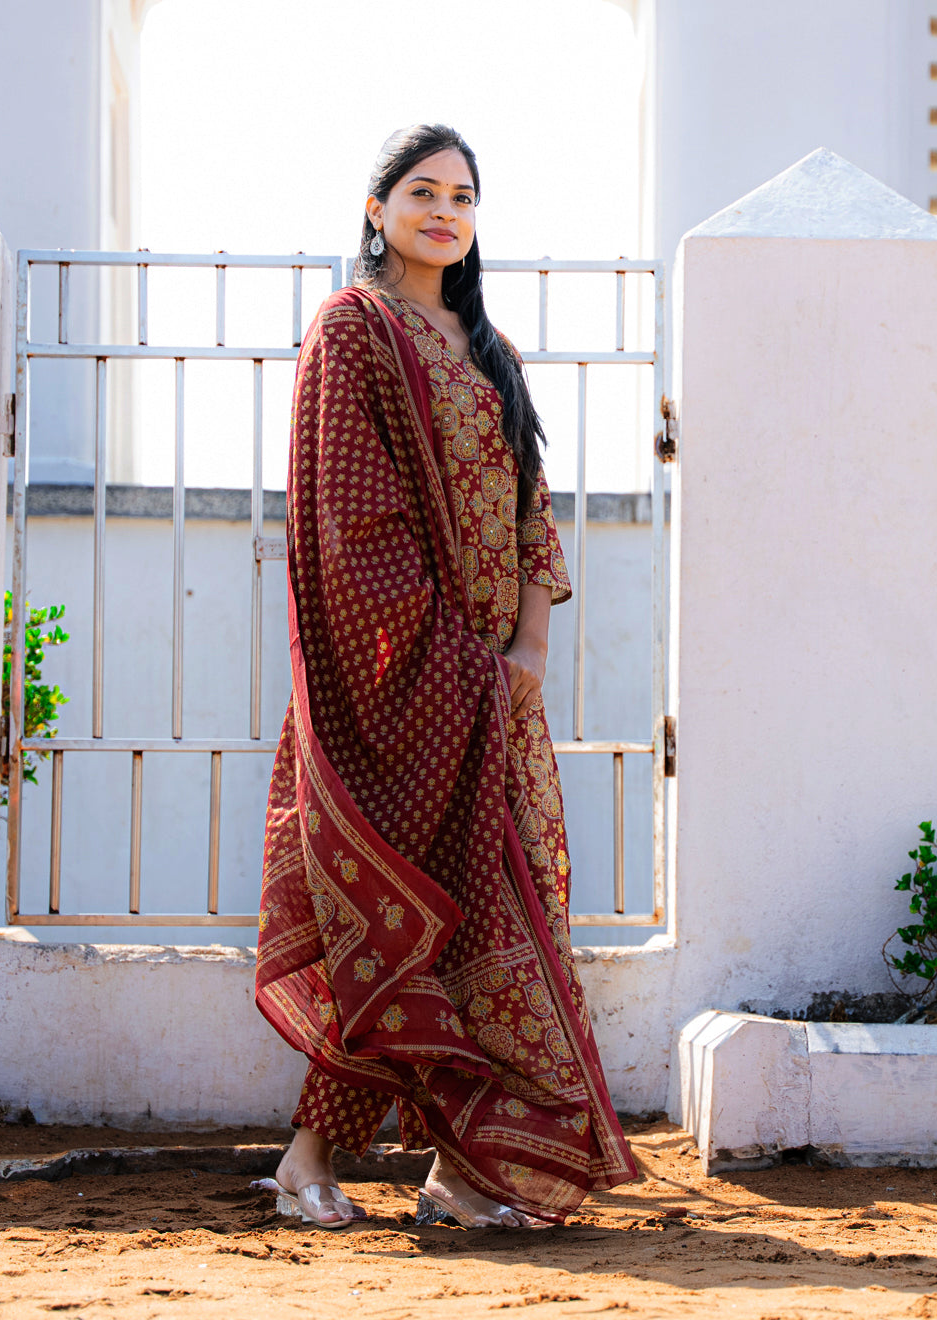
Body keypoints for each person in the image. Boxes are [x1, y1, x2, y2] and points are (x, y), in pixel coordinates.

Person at [254, 123, 637, 1229]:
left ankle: (463, 1175)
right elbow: (351, 518)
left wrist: (523, 655)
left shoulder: (489, 347)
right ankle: (305, 1161)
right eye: (421, 191)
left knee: (497, 920)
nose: (443, 211)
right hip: (394, 686)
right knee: (394, 922)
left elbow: (530, 516)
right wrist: (442, 660)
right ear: (376, 209)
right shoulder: (353, 332)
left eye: (462, 196)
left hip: (488, 691)